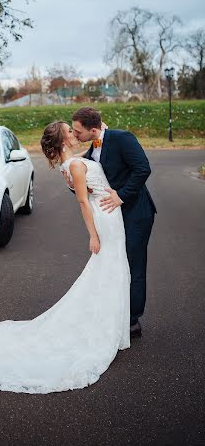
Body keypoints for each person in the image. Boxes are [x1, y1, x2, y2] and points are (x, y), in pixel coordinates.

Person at [0, 121, 130, 394]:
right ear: (63, 141)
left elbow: (90, 166)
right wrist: (93, 235)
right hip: (104, 219)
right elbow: (84, 201)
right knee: (108, 271)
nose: (75, 134)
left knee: (113, 271)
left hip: (109, 214)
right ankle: (104, 328)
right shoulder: (73, 166)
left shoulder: (73, 163)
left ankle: (113, 326)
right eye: (70, 132)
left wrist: (101, 131)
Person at [71, 107, 156, 338]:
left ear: (94, 129)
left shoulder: (122, 138)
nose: (75, 134)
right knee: (116, 262)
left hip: (137, 213)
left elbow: (143, 169)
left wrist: (121, 195)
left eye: (78, 131)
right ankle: (116, 312)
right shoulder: (92, 149)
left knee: (134, 264)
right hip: (112, 217)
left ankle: (132, 320)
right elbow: (93, 181)